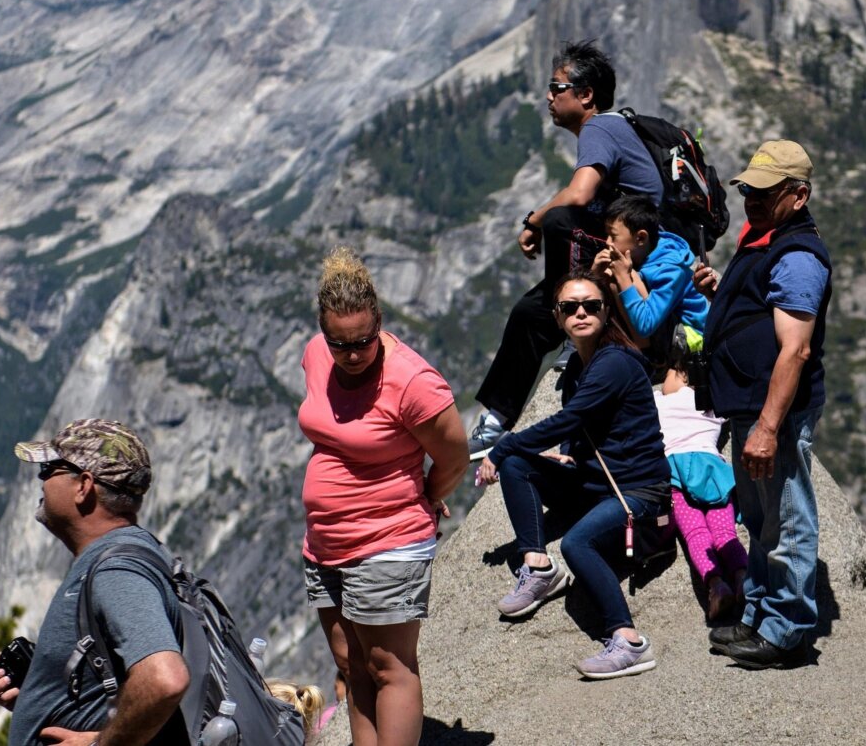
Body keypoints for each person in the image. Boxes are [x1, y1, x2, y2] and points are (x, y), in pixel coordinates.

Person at [299, 247, 468, 746]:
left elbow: (455, 457)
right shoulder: (315, 355)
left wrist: (427, 497)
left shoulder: (413, 382)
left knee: (388, 665)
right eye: (340, 344)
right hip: (326, 542)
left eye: (364, 342)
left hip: (389, 538)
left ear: (380, 323)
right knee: (352, 664)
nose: (352, 354)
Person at [467, 39, 665, 457]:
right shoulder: (609, 129)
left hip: (639, 255)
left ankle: (574, 324)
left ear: (585, 94)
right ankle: (498, 417)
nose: (548, 97)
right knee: (527, 313)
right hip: (619, 249)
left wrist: (534, 220)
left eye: (557, 88)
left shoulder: (599, 127)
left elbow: (578, 195)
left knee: (560, 222)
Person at [474, 272, 672, 680]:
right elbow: (586, 428)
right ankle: (538, 567)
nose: (580, 313)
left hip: (638, 490)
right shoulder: (579, 368)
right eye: (570, 307)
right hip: (596, 481)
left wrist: (503, 444)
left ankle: (628, 640)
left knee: (578, 543)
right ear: (557, 316)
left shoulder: (614, 361)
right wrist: (566, 456)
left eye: (591, 305)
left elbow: (572, 418)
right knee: (519, 467)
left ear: (606, 311)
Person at [693, 139, 830, 670]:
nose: (751, 199)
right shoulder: (766, 239)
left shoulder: (798, 256)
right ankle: (759, 612)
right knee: (759, 515)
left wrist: (769, 427)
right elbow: (762, 318)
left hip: (772, 412)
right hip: (748, 405)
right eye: (749, 189)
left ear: (798, 195)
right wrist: (721, 293)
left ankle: (787, 629)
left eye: (765, 193)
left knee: (788, 516)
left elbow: (794, 347)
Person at [0, 420, 188, 746]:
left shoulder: (116, 570)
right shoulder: (125, 558)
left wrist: (100, 744)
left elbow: (165, 679)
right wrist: (42, 696)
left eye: (49, 469)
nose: (41, 480)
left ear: (84, 486)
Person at [651, 336, 747, 623]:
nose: (662, 381)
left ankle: (716, 584)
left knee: (695, 534)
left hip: (676, 473)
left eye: (667, 374)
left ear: (681, 375)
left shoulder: (657, 401)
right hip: (713, 472)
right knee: (725, 533)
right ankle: (743, 578)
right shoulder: (715, 403)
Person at [592, 193, 710, 356]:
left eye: (613, 236)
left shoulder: (670, 270)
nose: (608, 242)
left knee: (618, 278)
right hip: (663, 324)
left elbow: (645, 325)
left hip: (689, 336)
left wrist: (624, 278)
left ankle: (650, 360)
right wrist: (594, 275)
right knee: (610, 275)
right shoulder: (641, 251)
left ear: (641, 238)